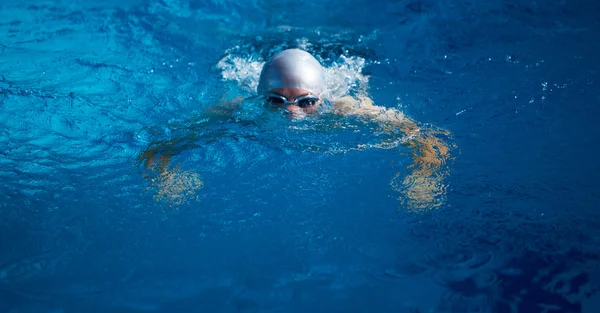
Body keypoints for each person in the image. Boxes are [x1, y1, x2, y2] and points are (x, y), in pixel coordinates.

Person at [139, 48, 453, 209]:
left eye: (305, 103)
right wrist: (165, 178)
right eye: (276, 101)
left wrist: (423, 179)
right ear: (260, 97)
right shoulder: (237, 109)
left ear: (322, 99)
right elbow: (159, 146)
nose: (291, 113)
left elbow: (427, 137)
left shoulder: (348, 108)